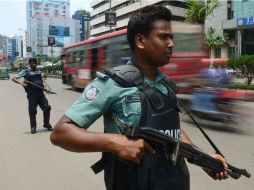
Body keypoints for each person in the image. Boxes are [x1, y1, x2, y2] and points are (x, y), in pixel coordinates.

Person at [50, 5, 228, 190]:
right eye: (163, 37)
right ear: (140, 41)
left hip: (175, 182)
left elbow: (171, 131)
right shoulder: (112, 83)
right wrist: (114, 143)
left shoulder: (166, 84)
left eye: (171, 37)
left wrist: (203, 158)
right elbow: (61, 133)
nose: (171, 44)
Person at [12, 58, 53, 134]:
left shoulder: (39, 71)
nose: (34, 64)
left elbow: (42, 80)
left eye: (35, 63)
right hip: (32, 94)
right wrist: (22, 83)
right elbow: (14, 78)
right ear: (29, 64)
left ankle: (46, 123)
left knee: (47, 108)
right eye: (32, 63)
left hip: (40, 93)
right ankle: (33, 127)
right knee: (32, 111)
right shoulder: (25, 71)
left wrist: (46, 88)